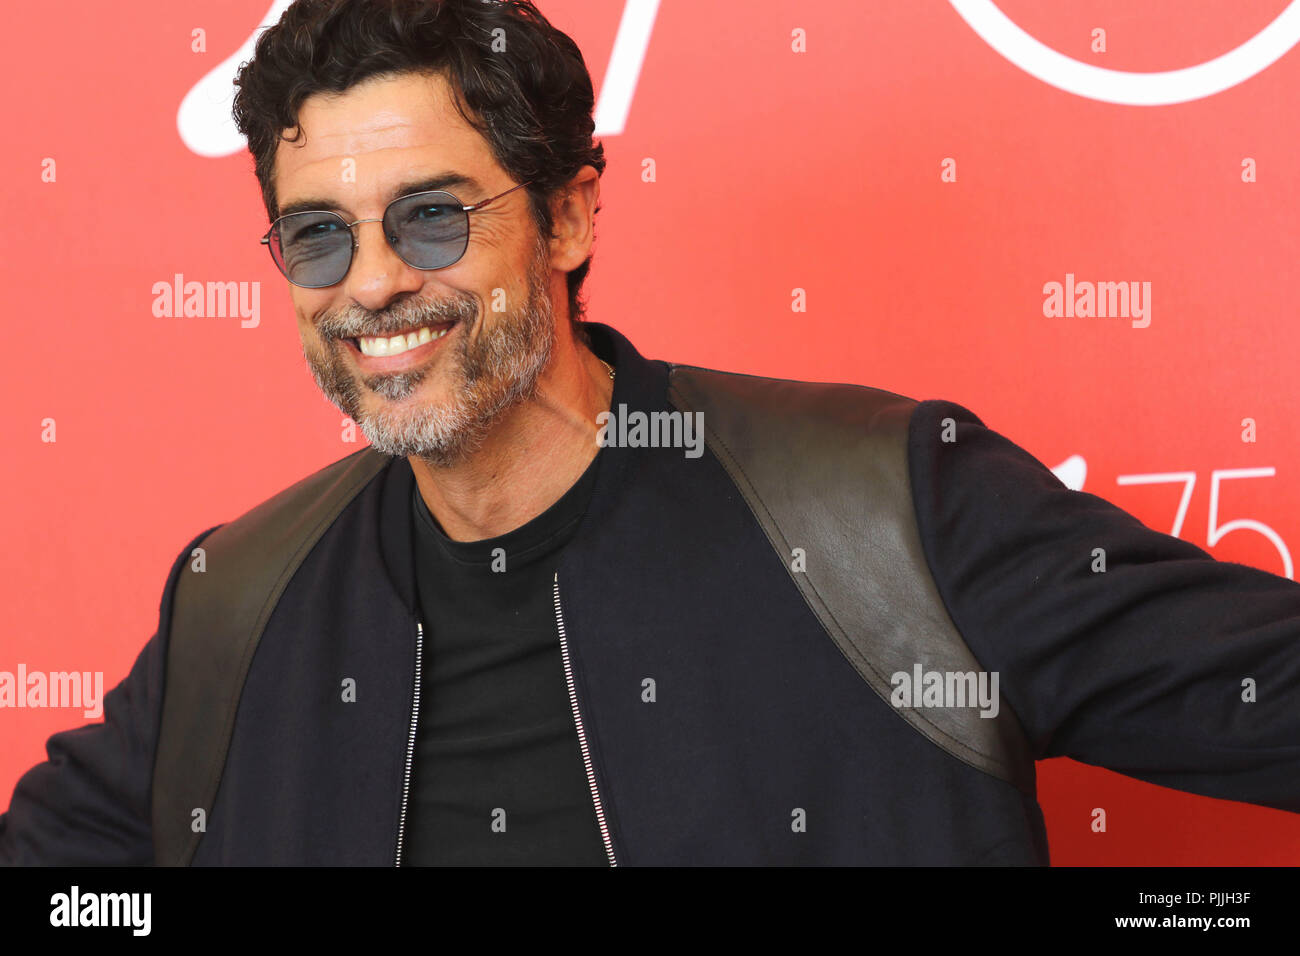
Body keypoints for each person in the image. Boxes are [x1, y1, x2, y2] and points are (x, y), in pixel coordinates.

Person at [3, 0, 1298, 866]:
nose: (375, 284)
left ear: (569, 220)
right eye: (319, 236)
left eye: (435, 217)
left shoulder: (881, 512)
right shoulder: (238, 605)